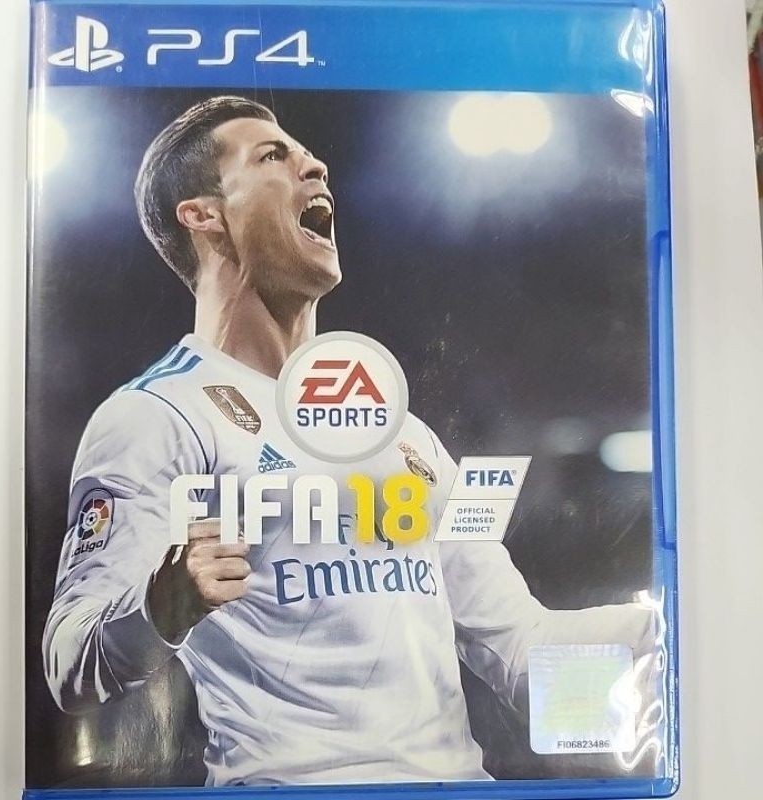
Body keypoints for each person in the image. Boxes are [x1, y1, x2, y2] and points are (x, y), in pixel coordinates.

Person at [43, 95, 655, 786]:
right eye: (273, 156)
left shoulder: (406, 432)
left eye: (309, 155)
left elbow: (521, 650)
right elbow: (70, 663)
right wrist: (161, 606)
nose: (316, 167)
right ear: (204, 214)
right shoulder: (154, 415)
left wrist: (667, 631)